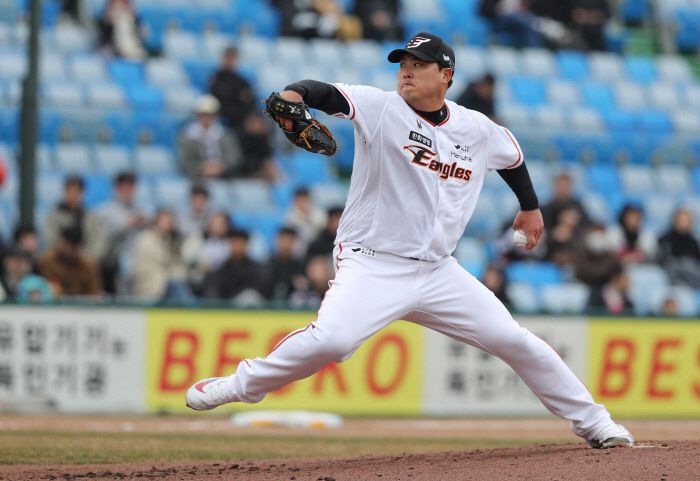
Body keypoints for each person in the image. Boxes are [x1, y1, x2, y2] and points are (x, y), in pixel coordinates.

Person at [185, 31, 633, 449]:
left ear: (446, 75)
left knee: (515, 340)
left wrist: (530, 207)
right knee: (333, 341)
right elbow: (322, 92)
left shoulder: (475, 128)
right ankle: (242, 385)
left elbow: (512, 157)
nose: (406, 71)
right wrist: (292, 96)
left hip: (438, 271)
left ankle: (597, 424)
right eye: (403, 63)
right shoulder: (381, 108)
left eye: (419, 65)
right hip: (372, 263)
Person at [96, 171, 148, 294]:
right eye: (125, 187)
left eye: (131, 187)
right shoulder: (104, 211)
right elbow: (101, 237)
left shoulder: (140, 209)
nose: (129, 191)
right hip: (113, 257)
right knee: (126, 265)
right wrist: (126, 224)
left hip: (138, 254)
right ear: (117, 188)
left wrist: (144, 223)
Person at [177, 95, 243, 181]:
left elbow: (235, 156)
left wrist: (221, 166)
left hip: (225, 176)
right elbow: (184, 160)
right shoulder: (187, 136)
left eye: (210, 115)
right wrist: (201, 168)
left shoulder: (226, 134)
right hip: (196, 177)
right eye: (203, 114)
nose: (207, 118)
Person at [130, 209, 191, 303]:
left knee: (179, 283)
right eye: (165, 221)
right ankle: (193, 309)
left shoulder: (171, 239)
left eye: (170, 221)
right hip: (151, 282)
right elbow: (162, 259)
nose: (169, 224)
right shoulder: (146, 238)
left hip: (166, 282)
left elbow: (180, 267)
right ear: (157, 222)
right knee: (176, 285)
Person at [44, 175, 107, 262]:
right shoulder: (54, 216)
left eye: (76, 191)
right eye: (70, 191)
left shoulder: (91, 217)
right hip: (59, 259)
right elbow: (50, 238)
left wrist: (84, 256)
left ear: (83, 193)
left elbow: (98, 242)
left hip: (84, 261)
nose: (73, 195)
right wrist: (65, 251)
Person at [202, 228, 264, 302]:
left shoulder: (256, 270)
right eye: (234, 243)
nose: (237, 248)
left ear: (246, 245)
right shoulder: (221, 270)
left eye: (240, 243)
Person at [39, 226, 102, 297]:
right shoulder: (47, 261)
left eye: (71, 247)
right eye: (65, 245)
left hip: (81, 302)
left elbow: (94, 293)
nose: (67, 250)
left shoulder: (89, 266)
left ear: (78, 247)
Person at [260, 227, 305, 302]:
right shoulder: (267, 265)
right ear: (277, 240)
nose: (286, 244)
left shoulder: (300, 265)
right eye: (283, 239)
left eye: (290, 240)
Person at [658, 207, 700, 288]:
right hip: (670, 280)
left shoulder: (694, 242)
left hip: (692, 282)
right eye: (682, 220)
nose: (684, 223)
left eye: (687, 221)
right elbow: (664, 261)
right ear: (675, 220)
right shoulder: (665, 239)